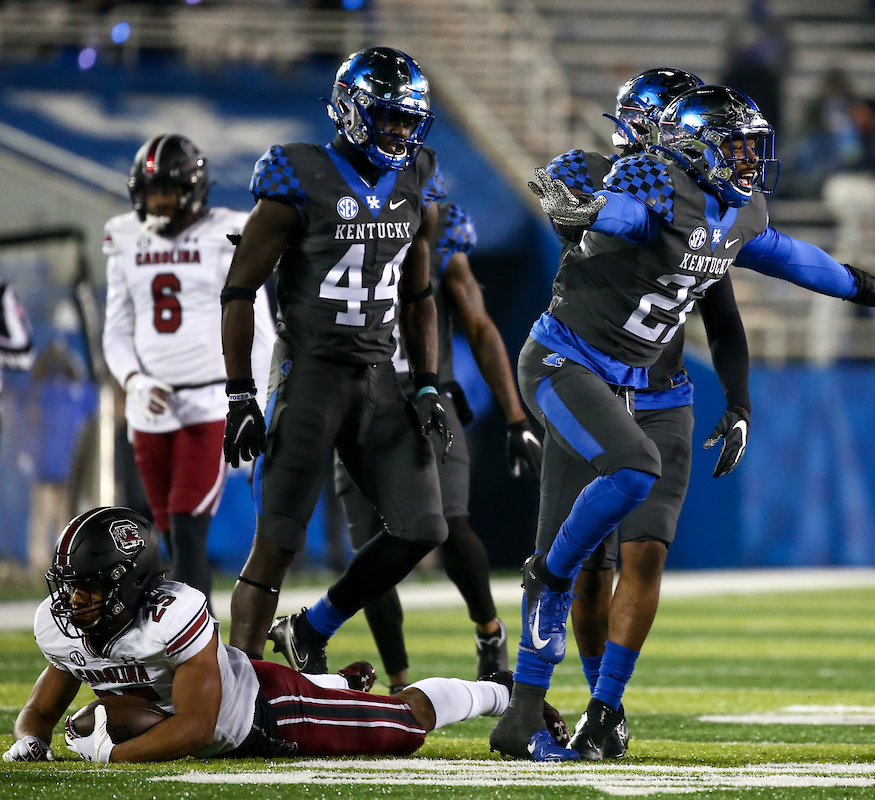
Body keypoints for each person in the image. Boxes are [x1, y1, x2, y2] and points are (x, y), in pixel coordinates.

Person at [490, 83, 875, 760]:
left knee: (619, 519)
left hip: (643, 384)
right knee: (605, 511)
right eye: (733, 144)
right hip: (568, 363)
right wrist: (583, 209)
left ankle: (556, 705)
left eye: (749, 145)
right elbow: (618, 210)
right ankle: (550, 590)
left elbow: (794, 259)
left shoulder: (736, 210)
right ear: (691, 145)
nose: (747, 158)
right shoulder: (656, 180)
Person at [541, 68, 754, 760]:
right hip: (593, 387)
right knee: (586, 569)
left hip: (663, 397)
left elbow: (721, 315)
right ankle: (591, 692)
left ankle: (605, 706)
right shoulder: (604, 183)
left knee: (646, 551)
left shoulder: (699, 203)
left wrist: (740, 400)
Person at [218, 47, 453, 672]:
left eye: (409, 120)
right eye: (388, 117)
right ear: (352, 111)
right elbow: (239, 291)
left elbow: (419, 292)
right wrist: (240, 394)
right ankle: (239, 691)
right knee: (278, 542)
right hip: (311, 374)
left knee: (423, 527)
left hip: (379, 377)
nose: (400, 132)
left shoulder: (417, 177)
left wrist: (427, 383)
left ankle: (312, 627)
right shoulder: (297, 175)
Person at [2, 507, 558, 763]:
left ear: (135, 583)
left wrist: (112, 754)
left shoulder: (172, 615)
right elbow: (40, 712)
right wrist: (30, 740)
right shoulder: (65, 627)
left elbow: (196, 729)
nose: (75, 600)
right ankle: (334, 683)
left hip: (265, 712)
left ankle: (502, 692)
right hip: (220, 705)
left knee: (403, 725)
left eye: (93, 586)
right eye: (71, 585)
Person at [332, 200, 541, 691]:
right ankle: (398, 682)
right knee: (370, 545)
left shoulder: (439, 230)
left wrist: (515, 418)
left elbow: (479, 325)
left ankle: (490, 632)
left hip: (425, 397)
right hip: (358, 396)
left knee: (450, 523)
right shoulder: (338, 224)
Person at [102, 134, 275, 606]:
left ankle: (197, 649)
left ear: (194, 190)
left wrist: (253, 402)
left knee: (187, 526)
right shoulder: (123, 235)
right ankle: (178, 640)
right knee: (167, 533)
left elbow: (260, 327)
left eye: (167, 191)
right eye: (151, 191)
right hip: (150, 405)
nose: (157, 202)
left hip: (210, 399)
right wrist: (134, 381)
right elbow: (115, 329)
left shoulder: (229, 230)